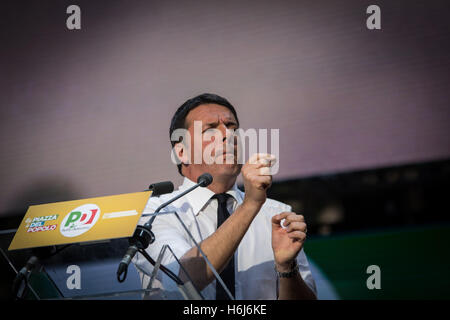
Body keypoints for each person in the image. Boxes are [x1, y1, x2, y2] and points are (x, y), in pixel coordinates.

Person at [133, 93, 317, 300]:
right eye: (210, 129)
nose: (228, 135)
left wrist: (286, 268)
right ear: (182, 152)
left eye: (232, 127)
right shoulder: (156, 212)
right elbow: (182, 278)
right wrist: (249, 205)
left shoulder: (276, 214)